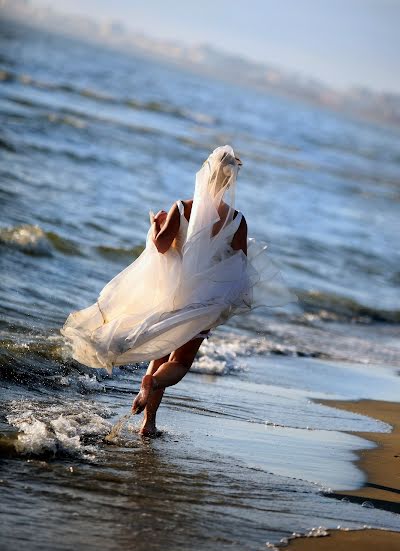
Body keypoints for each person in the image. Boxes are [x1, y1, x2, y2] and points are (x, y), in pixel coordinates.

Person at [61, 145, 294, 436]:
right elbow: (239, 264)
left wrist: (154, 226)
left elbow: (160, 246)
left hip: (169, 296)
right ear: (230, 180)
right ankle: (152, 389)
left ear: (205, 173)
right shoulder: (237, 220)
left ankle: (149, 422)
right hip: (203, 302)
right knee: (180, 362)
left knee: (158, 356)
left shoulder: (182, 208)